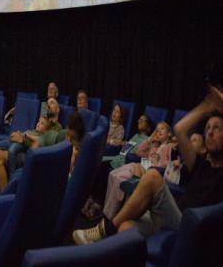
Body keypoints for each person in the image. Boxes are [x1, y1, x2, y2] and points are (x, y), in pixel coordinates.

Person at [73, 85, 223, 245]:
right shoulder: (200, 165)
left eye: (217, 128)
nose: (210, 132)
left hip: (189, 228)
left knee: (152, 176)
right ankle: (102, 241)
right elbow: (179, 129)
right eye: (207, 128)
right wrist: (207, 106)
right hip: (172, 214)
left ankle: (104, 230)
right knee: (125, 228)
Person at [84, 114, 153, 218]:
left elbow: (141, 154)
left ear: (148, 128)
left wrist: (129, 152)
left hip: (129, 162)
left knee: (103, 168)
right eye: (139, 119)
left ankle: (98, 204)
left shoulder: (148, 140)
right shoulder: (135, 135)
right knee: (98, 163)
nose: (139, 121)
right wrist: (125, 145)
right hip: (120, 157)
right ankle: (91, 199)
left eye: (143, 120)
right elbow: (125, 149)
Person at [101, 121, 173, 220]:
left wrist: (157, 163)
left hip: (148, 172)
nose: (158, 131)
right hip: (139, 166)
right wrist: (149, 140)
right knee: (112, 174)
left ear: (169, 133)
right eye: (157, 130)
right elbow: (139, 152)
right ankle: (108, 210)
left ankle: (109, 215)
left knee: (119, 180)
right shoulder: (154, 146)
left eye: (162, 128)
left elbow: (168, 163)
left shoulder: (169, 147)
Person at [0, 116, 52, 197]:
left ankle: (4, 196)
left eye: (42, 123)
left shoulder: (45, 136)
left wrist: (24, 138)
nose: (38, 123)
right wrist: (19, 135)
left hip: (23, 154)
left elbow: (37, 143)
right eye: (38, 121)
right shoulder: (32, 131)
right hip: (18, 148)